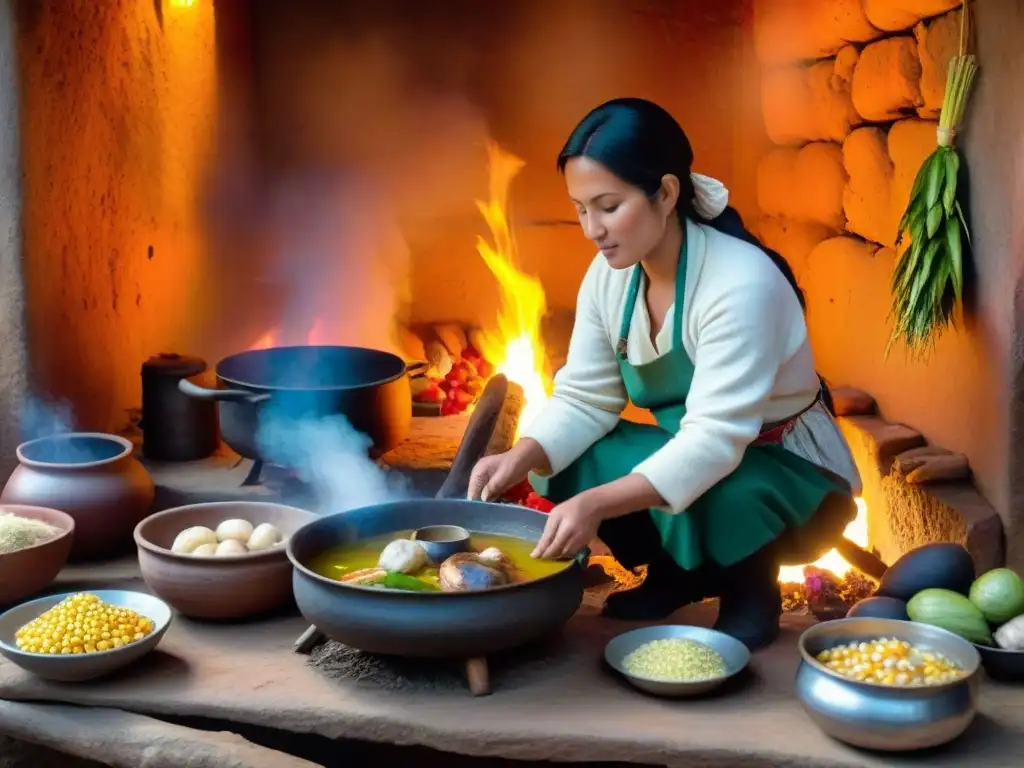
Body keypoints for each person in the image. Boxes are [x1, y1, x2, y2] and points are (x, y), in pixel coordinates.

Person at [467, 98, 862, 651]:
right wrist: (522, 455)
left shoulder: (740, 283)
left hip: (787, 469)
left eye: (607, 206)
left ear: (668, 193)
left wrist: (597, 504)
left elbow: (716, 440)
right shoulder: (609, 276)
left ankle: (751, 592)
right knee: (564, 460)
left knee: (721, 491)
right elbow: (584, 398)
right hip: (703, 446)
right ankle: (675, 574)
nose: (591, 230)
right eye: (581, 209)